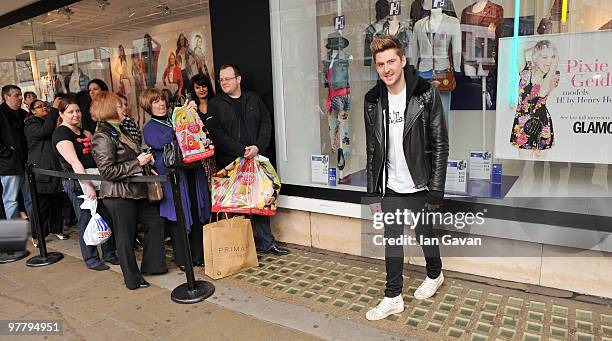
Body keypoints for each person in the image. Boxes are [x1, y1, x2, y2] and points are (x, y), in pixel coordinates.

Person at [363, 35, 449, 321]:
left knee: (424, 234)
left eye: (391, 61)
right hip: (391, 184)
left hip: (420, 182)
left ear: (402, 60)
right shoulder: (373, 100)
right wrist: (373, 191)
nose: (386, 69)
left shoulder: (425, 93)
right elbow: (372, 148)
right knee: (392, 240)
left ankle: (435, 274)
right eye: (380, 64)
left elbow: (440, 143)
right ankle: (393, 296)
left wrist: (436, 189)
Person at [207, 64, 288, 256]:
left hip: (256, 160)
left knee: (260, 201)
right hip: (231, 163)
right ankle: (240, 249)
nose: (224, 82)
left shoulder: (254, 98)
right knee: (235, 206)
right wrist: (241, 150)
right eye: (221, 79)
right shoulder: (216, 104)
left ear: (238, 79)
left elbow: (266, 124)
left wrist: (258, 146)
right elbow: (216, 133)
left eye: (227, 78)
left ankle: (267, 244)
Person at [91, 91, 167, 289]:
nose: (124, 108)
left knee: (156, 222)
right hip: (118, 194)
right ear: (109, 109)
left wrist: (144, 159)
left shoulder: (118, 129)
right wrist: (137, 163)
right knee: (125, 237)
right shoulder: (102, 136)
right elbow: (107, 171)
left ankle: (151, 266)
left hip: (134, 190)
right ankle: (132, 280)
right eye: (119, 106)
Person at [141, 89, 210, 269]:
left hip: (192, 171)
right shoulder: (149, 128)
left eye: (162, 100)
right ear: (148, 106)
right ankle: (184, 260)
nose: (161, 104)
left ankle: (198, 255)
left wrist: (190, 114)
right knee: (179, 216)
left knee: (196, 211)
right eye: (155, 101)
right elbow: (160, 143)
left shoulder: (174, 116)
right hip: (173, 177)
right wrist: (178, 122)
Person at [52, 96, 119, 271]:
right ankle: (91, 259)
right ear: (61, 114)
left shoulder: (83, 132)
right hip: (79, 183)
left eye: (77, 111)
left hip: (97, 180)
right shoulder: (61, 133)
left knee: (105, 216)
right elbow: (75, 163)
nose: (75, 115)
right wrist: (88, 185)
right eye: (70, 112)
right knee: (86, 220)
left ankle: (110, 253)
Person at [24, 99, 68, 247]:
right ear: (32, 111)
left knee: (57, 202)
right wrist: (54, 110)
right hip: (41, 170)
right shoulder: (30, 124)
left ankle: (57, 229)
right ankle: (38, 235)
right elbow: (44, 131)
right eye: (39, 107)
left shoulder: (51, 121)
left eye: (45, 106)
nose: (44, 108)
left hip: (55, 167)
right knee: (41, 206)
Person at [510, 40, 560, 160]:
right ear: (535, 58)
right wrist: (540, 42)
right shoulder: (526, 69)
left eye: (553, 57)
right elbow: (519, 47)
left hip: (542, 122)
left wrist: (553, 67)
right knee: (524, 165)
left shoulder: (554, 75)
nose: (549, 61)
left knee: (540, 167)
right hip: (522, 122)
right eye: (545, 57)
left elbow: (542, 92)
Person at [0, 85, 33, 220]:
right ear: (6, 97)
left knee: (30, 198)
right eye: (16, 95)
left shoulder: (23, 113)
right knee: (11, 201)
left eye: (21, 95)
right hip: (9, 164)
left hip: (27, 162)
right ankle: (12, 236)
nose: (20, 98)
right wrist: (7, 152)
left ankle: (37, 232)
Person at [190, 74, 218, 176]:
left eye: (204, 86)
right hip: (202, 155)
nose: (201, 90)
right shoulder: (191, 109)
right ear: (193, 90)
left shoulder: (217, 103)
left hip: (220, 151)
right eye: (197, 87)